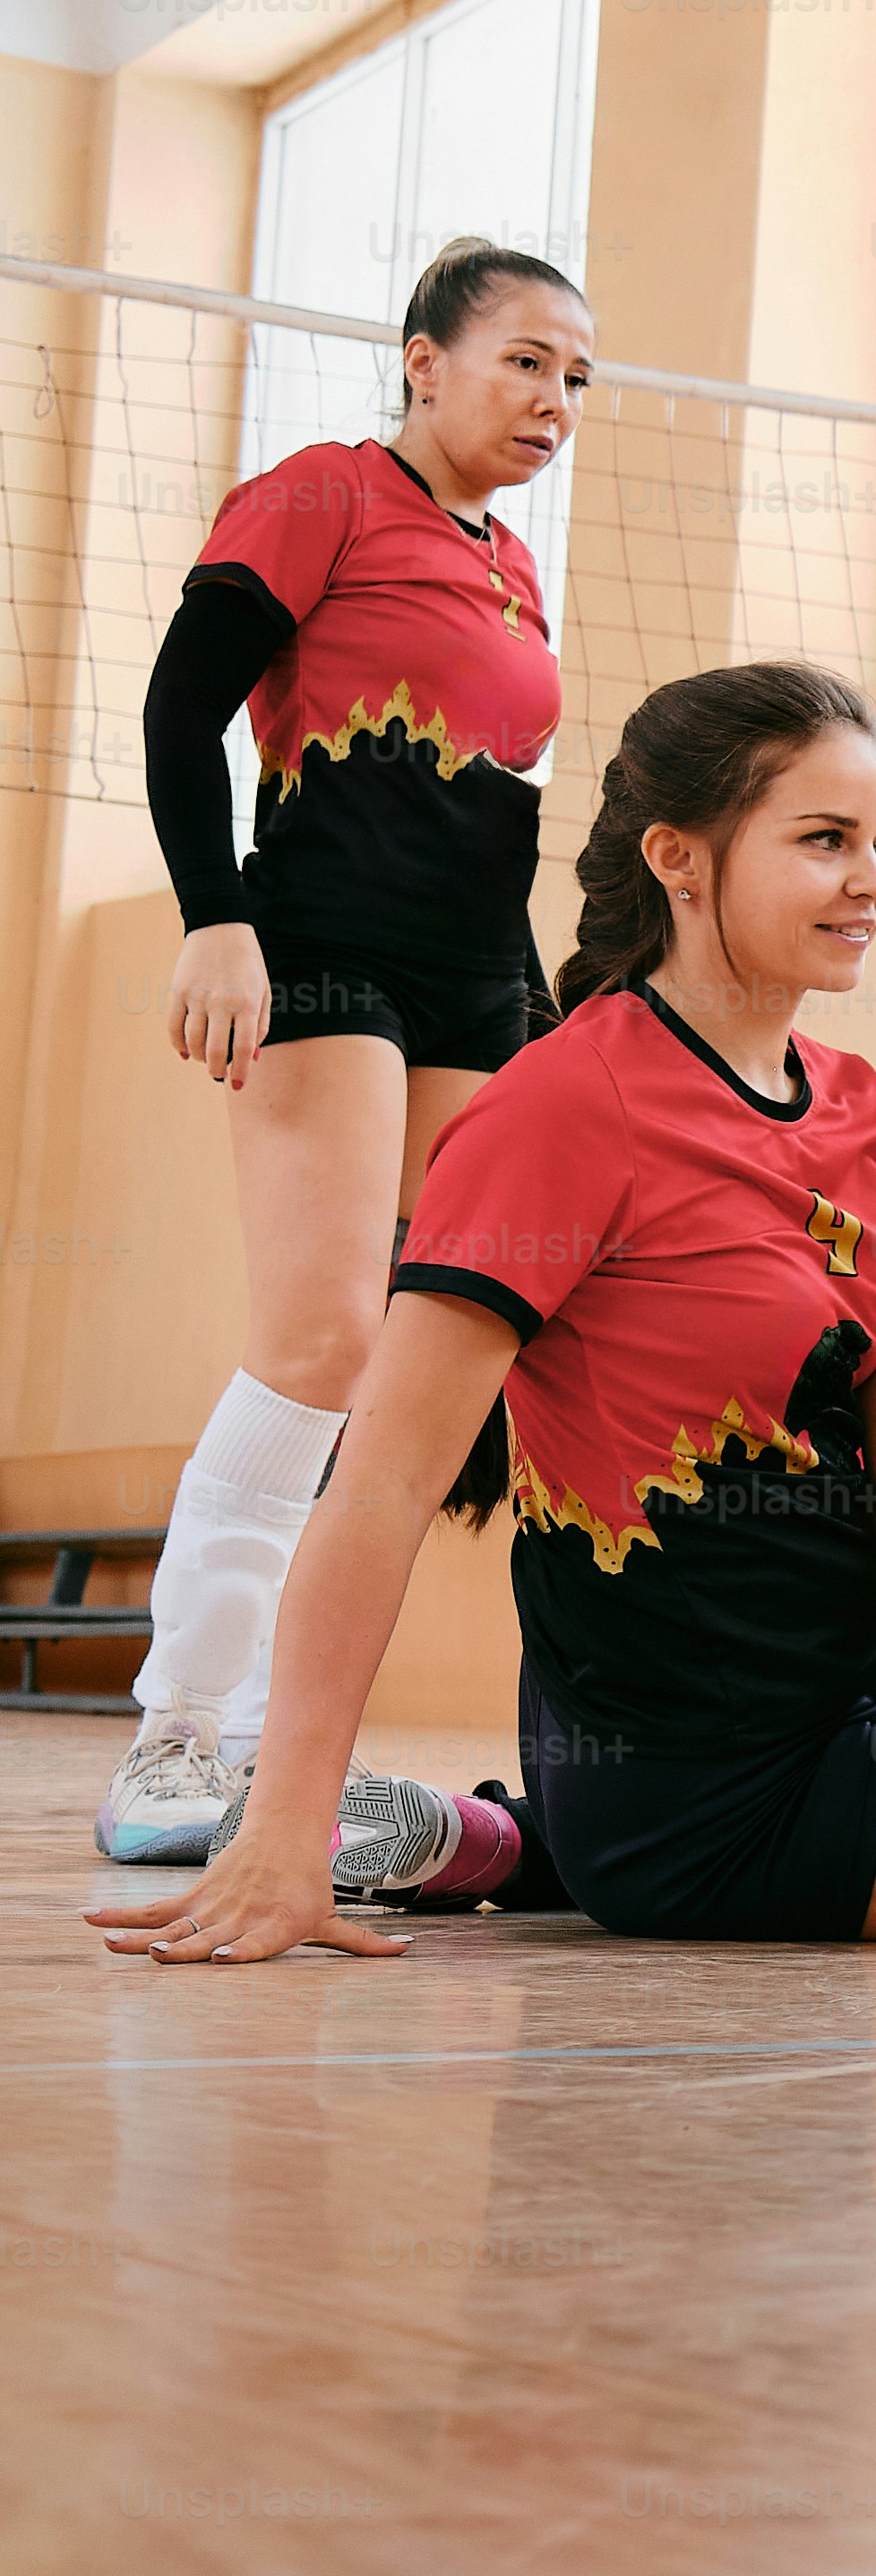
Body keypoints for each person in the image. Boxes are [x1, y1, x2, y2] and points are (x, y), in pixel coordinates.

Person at [83, 663, 876, 1963]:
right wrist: (286, 1837)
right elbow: (380, 1488)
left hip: (855, 1712)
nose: (871, 883)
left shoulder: (864, 1114)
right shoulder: (562, 1105)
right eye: (823, 841)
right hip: (695, 1797)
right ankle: (571, 1842)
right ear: (679, 860)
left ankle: (518, 1844)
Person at [97, 242, 584, 1864]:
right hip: (315, 948)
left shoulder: (513, 566)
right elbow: (181, 710)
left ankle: (278, 1742)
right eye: (526, 360)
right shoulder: (323, 493)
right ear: (424, 359)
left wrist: (544, 1027)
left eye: (576, 377)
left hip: (469, 986)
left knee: (428, 1363)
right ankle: (180, 1732)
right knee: (317, 1337)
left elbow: (496, 830)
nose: (554, 400)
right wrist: (211, 914)